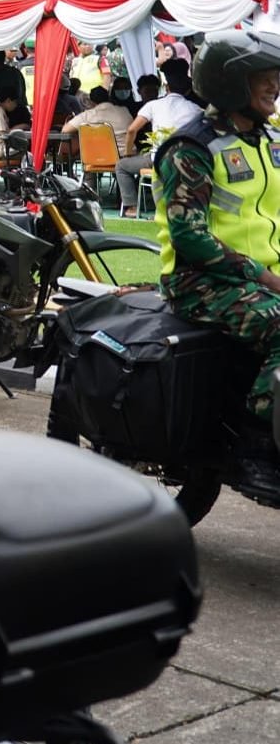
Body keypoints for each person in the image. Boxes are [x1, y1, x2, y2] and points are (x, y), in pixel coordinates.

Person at [155, 29, 280, 498]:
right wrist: (263, 276)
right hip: (200, 280)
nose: (275, 86)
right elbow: (191, 237)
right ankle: (253, 443)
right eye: (263, 78)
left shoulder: (268, 140)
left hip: (261, 276)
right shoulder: (192, 147)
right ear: (230, 85)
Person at [115, 63, 202, 217]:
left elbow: (132, 129)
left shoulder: (153, 105)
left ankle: (132, 207)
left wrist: (128, 154)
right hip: (187, 159)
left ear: (166, 87)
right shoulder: (196, 109)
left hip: (157, 157)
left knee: (122, 166)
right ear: (188, 90)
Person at [62, 85, 134, 157]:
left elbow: (65, 130)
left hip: (98, 159)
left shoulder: (87, 115)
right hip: (127, 156)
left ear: (91, 101)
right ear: (109, 97)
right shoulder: (124, 110)